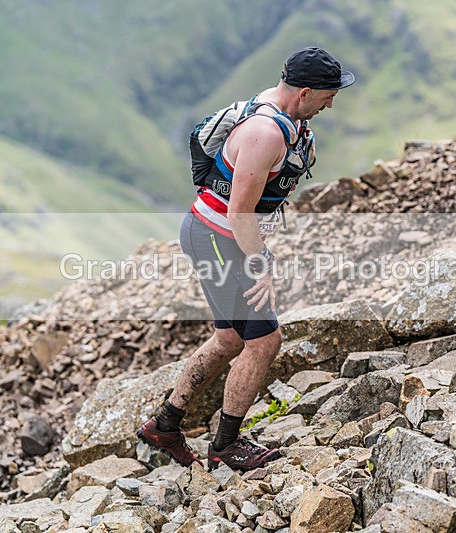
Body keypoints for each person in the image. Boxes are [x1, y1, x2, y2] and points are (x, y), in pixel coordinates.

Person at [138, 47, 354, 471]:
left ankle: (165, 425)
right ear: (305, 93)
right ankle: (226, 446)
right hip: (220, 238)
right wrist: (260, 264)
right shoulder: (265, 134)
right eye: (328, 96)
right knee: (264, 342)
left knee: (229, 339)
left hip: (214, 234)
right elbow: (239, 212)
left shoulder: (285, 115)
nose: (330, 105)